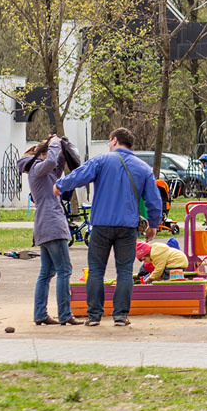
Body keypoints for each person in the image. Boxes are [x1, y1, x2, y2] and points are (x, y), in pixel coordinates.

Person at [54, 127, 163, 328]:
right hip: (127, 228)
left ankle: (94, 316)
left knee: (96, 270)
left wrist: (60, 185)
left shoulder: (101, 161)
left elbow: (79, 175)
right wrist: (154, 224)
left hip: (101, 226)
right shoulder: (143, 168)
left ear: (114, 141)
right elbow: (154, 201)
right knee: (124, 271)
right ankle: (120, 316)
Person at [22, 135, 80, 326]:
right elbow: (52, 161)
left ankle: (40, 314)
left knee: (46, 272)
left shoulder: (45, 173)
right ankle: (65, 314)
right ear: (43, 154)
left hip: (44, 225)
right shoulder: (37, 169)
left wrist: (63, 144)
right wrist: (54, 145)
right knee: (65, 270)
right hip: (52, 224)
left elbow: (59, 163)